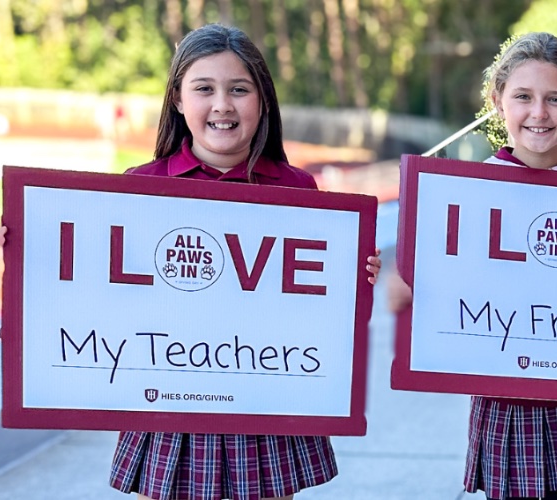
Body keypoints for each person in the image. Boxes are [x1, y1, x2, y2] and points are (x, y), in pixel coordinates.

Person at [94, 24, 381, 500]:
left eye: (239, 89)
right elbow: (96, 294)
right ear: (179, 100)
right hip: (171, 405)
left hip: (265, 399)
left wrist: (356, 279)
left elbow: (328, 319)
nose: (222, 104)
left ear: (262, 101)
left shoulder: (298, 192)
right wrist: (24, 244)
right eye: (204, 88)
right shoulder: (139, 187)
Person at [388, 32, 557, 500]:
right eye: (523, 96)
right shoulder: (466, 195)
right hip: (506, 399)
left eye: (555, 99)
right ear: (497, 101)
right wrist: (409, 294)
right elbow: (442, 293)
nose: (539, 113)